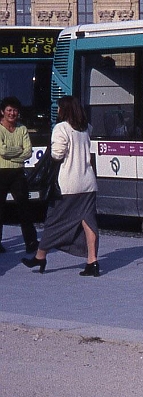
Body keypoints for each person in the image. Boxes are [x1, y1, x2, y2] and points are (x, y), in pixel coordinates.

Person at [21, 96, 99, 275]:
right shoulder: (86, 128)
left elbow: (57, 155)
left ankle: (40, 256)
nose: (57, 111)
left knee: (54, 221)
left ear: (64, 110)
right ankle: (92, 261)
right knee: (88, 222)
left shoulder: (61, 128)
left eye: (58, 108)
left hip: (68, 185)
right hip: (88, 182)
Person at [0, 96, 39, 254]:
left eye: (15, 110)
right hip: (1, 172)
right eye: (9, 110)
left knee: (25, 208)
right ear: (2, 112)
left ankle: (31, 242)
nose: (12, 113)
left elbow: (28, 152)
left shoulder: (22, 129)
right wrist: (19, 150)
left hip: (17, 173)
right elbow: (1, 151)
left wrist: (11, 154)